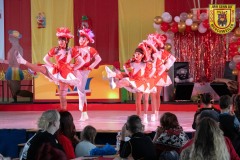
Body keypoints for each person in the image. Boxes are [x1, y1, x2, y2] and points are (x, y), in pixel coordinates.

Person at [16, 27, 84, 109]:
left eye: (62, 40)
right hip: (55, 70)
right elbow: (45, 59)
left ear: (66, 41)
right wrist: (52, 65)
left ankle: (64, 112)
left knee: (62, 95)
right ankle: (23, 61)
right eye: (59, 40)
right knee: (41, 68)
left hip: (65, 73)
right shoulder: (55, 50)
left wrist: (73, 68)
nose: (60, 42)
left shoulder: (71, 50)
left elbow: (81, 62)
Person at [105, 46, 156, 123]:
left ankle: (144, 116)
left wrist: (149, 76)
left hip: (142, 82)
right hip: (134, 80)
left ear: (142, 55)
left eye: (138, 54)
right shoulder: (132, 63)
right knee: (126, 80)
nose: (136, 55)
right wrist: (128, 72)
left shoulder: (145, 64)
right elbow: (125, 67)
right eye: (135, 53)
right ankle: (114, 84)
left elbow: (153, 69)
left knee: (143, 100)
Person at [72, 28, 102, 121]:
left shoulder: (90, 49)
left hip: (84, 71)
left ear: (88, 40)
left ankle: (83, 113)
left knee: (81, 92)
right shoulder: (76, 48)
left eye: (84, 39)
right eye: (80, 38)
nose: (81, 40)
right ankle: (84, 113)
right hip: (76, 70)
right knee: (80, 92)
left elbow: (98, 59)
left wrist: (90, 67)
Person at [0, 30, 24, 103]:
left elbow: (15, 61)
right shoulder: (15, 48)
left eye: (10, 37)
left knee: (14, 86)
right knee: (12, 86)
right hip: (13, 69)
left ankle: (16, 101)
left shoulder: (17, 48)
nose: (9, 39)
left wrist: (3, 61)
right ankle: (15, 99)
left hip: (14, 69)